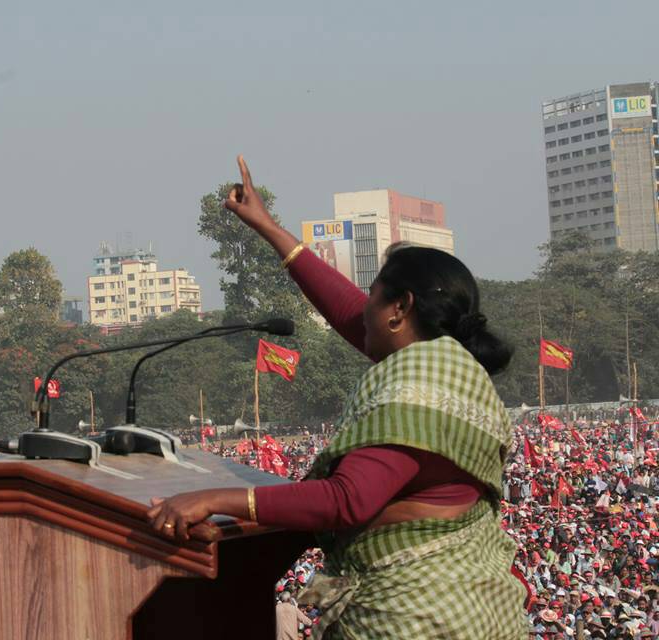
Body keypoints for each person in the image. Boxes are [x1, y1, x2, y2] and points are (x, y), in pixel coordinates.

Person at [146, 156, 528, 638]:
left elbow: (349, 500)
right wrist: (267, 226)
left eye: (374, 296)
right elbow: (349, 313)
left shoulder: (416, 385)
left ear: (400, 309)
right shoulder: (448, 366)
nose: (363, 310)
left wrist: (212, 499)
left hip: (418, 618)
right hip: (468, 606)